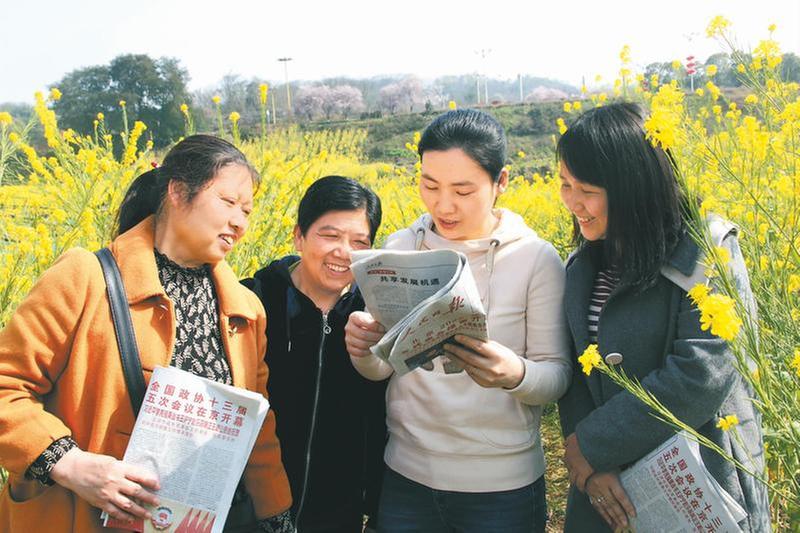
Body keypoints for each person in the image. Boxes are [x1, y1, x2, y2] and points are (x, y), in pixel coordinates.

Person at [0, 135, 294, 532]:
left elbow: (255, 426)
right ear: (177, 191)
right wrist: (70, 464)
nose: (240, 222)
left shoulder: (244, 309)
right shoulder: (85, 278)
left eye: (246, 210)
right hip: (81, 517)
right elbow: (7, 386)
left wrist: (277, 517)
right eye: (227, 202)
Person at [345, 109, 571, 533]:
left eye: (463, 190)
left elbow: (556, 375)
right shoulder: (400, 249)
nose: (442, 205)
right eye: (429, 185)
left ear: (501, 182)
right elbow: (382, 368)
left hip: (503, 490)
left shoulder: (535, 259)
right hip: (407, 479)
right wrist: (363, 350)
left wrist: (514, 373)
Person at [556, 102, 770, 532]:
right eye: (564, 184)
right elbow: (576, 374)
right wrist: (592, 466)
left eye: (588, 190)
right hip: (609, 491)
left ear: (632, 187)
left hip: (700, 478)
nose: (573, 203)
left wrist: (596, 444)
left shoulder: (707, 249)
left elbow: (703, 372)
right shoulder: (583, 267)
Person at [242, 175, 387, 532]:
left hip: (339, 511)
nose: (343, 252)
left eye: (359, 242)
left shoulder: (377, 317)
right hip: (251, 507)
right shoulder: (253, 302)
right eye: (330, 235)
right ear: (298, 235)